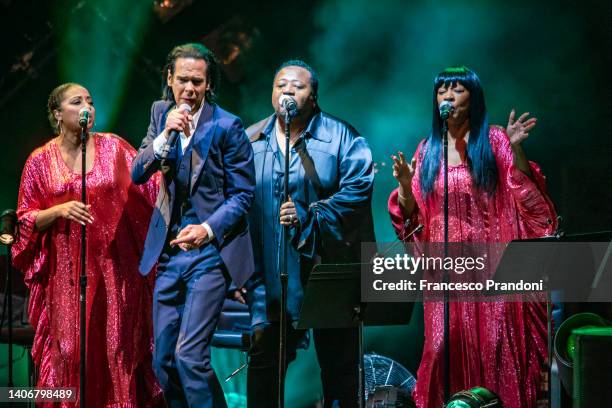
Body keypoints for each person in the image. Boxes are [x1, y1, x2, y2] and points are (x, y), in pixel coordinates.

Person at [388, 66, 557, 408]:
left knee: (497, 351)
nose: (447, 96)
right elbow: (412, 217)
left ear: (473, 97)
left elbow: (524, 190)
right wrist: (406, 186)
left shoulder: (493, 139)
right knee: (440, 352)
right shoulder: (427, 150)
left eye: (457, 89)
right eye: (441, 91)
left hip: (493, 269)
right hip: (446, 275)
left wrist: (515, 147)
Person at [12, 83, 163, 407]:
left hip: (116, 273)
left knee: (117, 349)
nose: (87, 107)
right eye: (77, 101)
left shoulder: (114, 147)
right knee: (69, 351)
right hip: (66, 278)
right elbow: (23, 220)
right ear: (57, 114)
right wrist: (57, 210)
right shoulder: (39, 161)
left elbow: (151, 186)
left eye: (91, 102)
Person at [244, 60, 375, 407]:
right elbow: (238, 204)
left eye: (297, 86)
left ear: (314, 96)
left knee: (339, 368)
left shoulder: (343, 137)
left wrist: (310, 215)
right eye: (280, 84)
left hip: (328, 268)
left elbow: (358, 192)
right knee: (263, 365)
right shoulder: (251, 139)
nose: (287, 90)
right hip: (270, 275)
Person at [131, 43, 255, 407]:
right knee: (164, 360)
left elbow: (243, 196)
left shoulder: (227, 126)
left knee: (190, 356)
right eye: (182, 80)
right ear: (169, 80)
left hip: (210, 255)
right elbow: (139, 172)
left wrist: (207, 230)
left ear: (209, 84)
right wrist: (163, 137)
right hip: (169, 254)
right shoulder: (160, 115)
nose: (189, 89)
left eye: (197, 82)